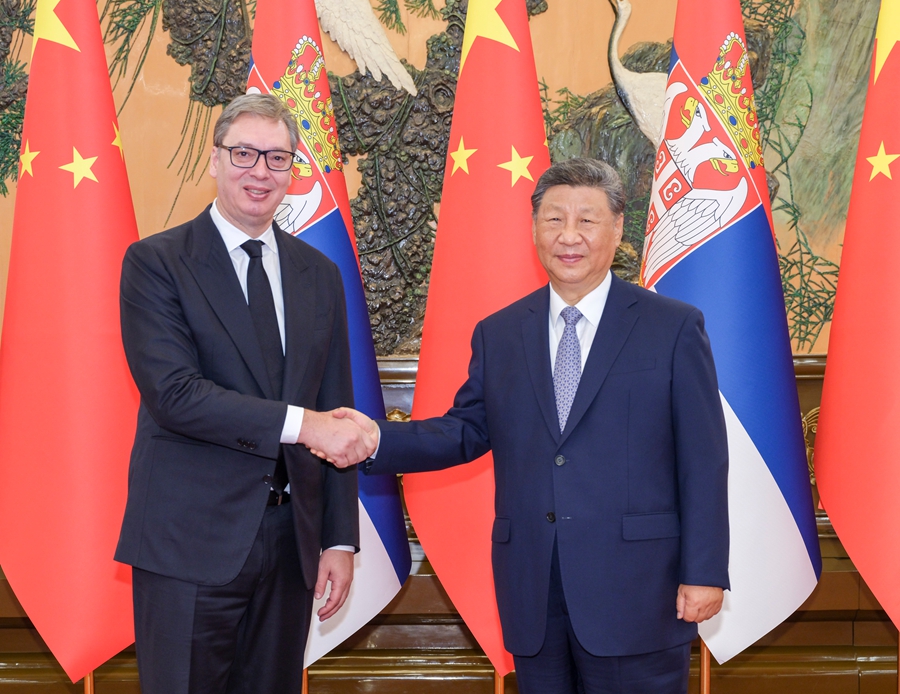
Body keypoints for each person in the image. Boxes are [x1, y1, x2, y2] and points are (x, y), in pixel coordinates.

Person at [328, 158, 730, 694]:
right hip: (534, 590)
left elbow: (703, 459)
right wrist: (375, 438)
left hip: (638, 590)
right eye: (554, 219)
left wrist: (704, 571)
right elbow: (465, 431)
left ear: (617, 229)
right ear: (534, 228)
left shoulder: (672, 327)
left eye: (587, 220)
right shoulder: (500, 333)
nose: (569, 235)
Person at [115, 93, 375, 694]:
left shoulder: (319, 274)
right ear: (215, 161)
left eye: (277, 158)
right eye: (244, 154)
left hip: (290, 546)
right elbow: (175, 395)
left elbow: (335, 405)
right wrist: (305, 425)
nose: (260, 171)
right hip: (189, 544)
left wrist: (338, 539)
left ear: (292, 171)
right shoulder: (157, 263)